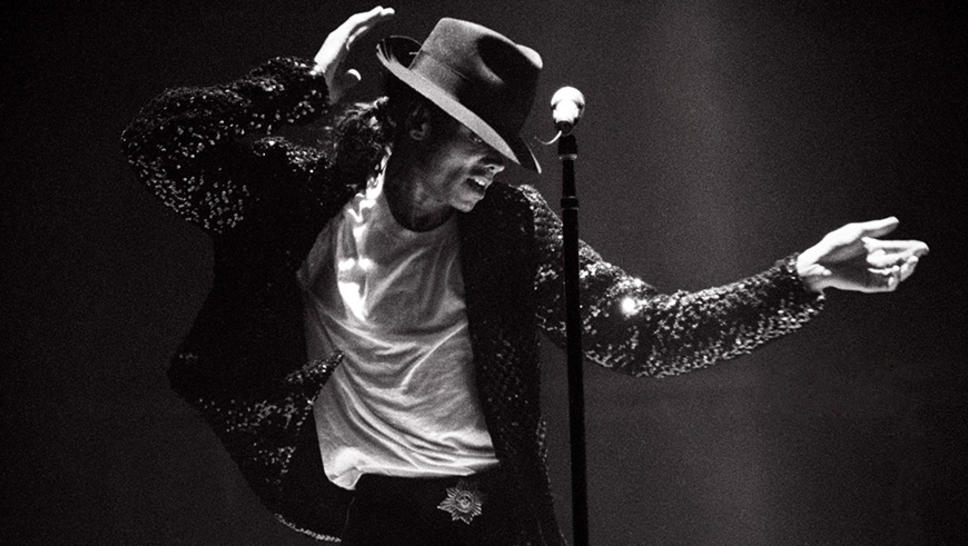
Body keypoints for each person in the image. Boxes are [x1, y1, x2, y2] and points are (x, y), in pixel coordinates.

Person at [120, 6, 928, 545]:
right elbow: (157, 144)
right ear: (418, 121)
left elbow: (642, 334)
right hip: (368, 506)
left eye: (503, 149)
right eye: (478, 140)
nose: (494, 165)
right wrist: (299, 86)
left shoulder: (509, 227)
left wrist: (801, 278)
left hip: (484, 510)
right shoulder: (306, 197)